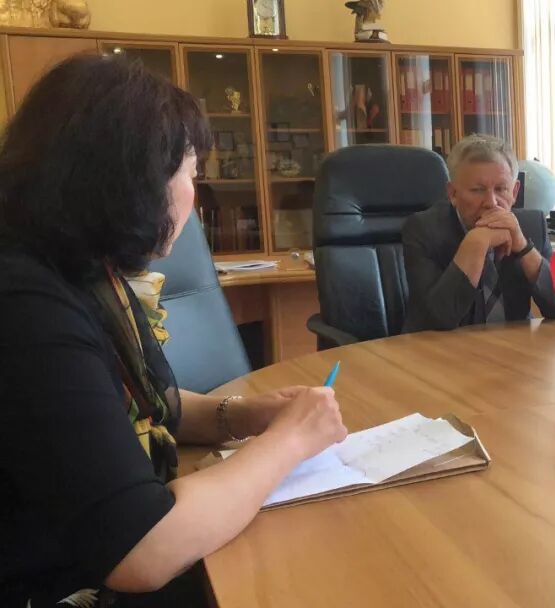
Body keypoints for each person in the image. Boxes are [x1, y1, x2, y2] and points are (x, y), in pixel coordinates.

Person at [0, 55, 348, 607]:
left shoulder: (84, 269)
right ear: (133, 180)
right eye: (190, 173)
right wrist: (291, 441)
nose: (195, 193)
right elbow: (141, 549)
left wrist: (243, 415)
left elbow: (146, 404)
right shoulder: (27, 305)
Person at [402, 134, 555, 332]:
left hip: (514, 348)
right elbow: (434, 323)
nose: (491, 202)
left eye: (501, 189)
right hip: (445, 349)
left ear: (514, 192)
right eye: (477, 190)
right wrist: (475, 244)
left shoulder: (532, 225)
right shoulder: (424, 229)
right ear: (453, 194)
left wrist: (523, 247)